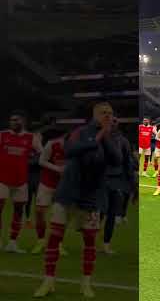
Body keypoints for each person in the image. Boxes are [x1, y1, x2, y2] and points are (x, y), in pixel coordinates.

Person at [34, 102, 119, 298]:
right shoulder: (79, 132)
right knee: (54, 238)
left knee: (89, 241)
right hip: (68, 193)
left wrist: (105, 137)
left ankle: (85, 283)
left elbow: (116, 159)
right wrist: (99, 136)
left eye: (110, 113)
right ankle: (48, 282)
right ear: (95, 114)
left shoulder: (110, 137)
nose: (108, 116)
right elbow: (72, 151)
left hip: (91, 197)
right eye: (104, 113)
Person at [0, 110, 43, 253]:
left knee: (18, 211)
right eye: (12, 120)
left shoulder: (31, 137)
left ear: (23, 122)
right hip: (2, 179)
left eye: (16, 120)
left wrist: (32, 161)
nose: (13, 122)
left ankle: (12, 242)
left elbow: (42, 154)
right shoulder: (2, 135)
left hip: (21, 180)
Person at [101, 117, 136, 255]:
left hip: (115, 181)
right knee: (97, 213)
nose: (113, 123)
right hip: (99, 180)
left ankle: (106, 244)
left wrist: (132, 184)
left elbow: (128, 163)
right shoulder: (99, 138)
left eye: (115, 121)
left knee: (110, 214)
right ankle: (92, 242)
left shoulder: (123, 141)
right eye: (111, 120)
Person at [31, 131, 68, 255]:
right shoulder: (52, 144)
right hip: (47, 183)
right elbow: (41, 161)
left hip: (64, 185)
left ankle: (58, 244)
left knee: (61, 215)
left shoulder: (77, 148)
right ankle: (41, 241)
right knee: (39, 211)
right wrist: (58, 169)